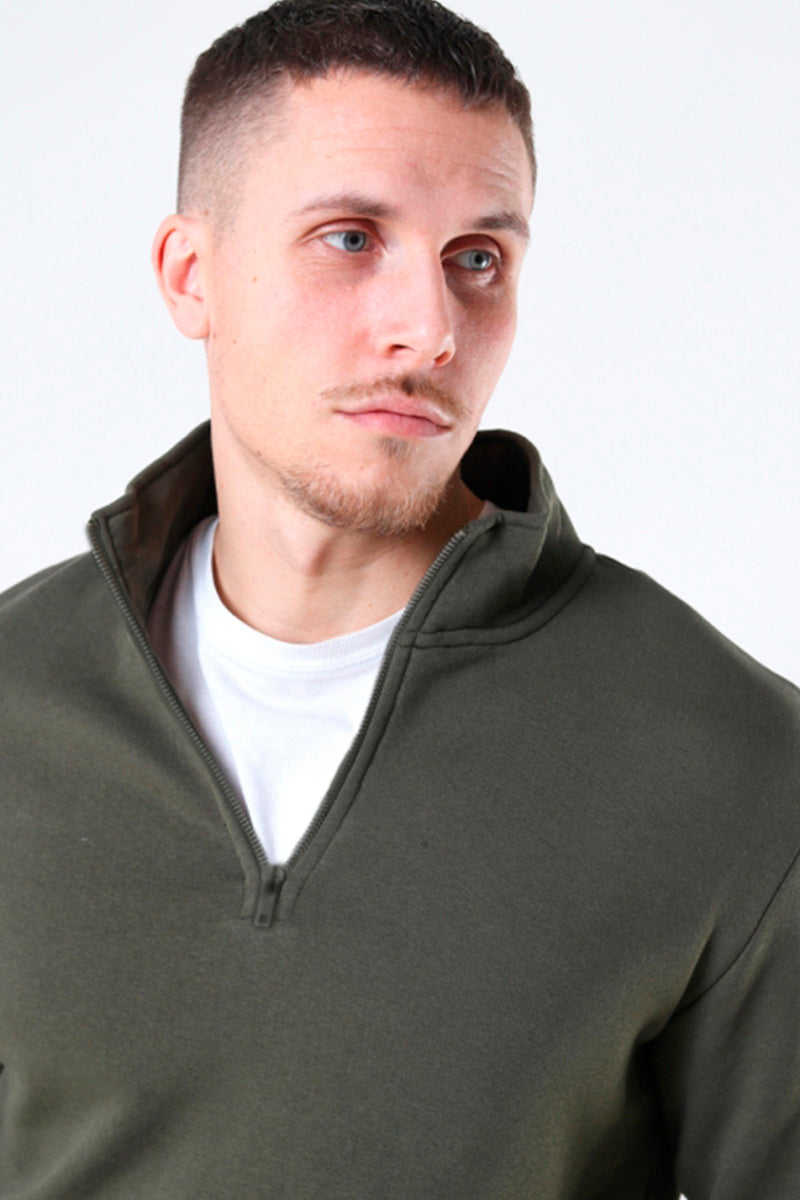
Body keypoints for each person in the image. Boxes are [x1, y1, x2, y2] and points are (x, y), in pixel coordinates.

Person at [0, 0, 798, 1195]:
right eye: (349, 238)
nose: (427, 331)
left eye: (475, 258)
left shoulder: (732, 764)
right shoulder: (15, 698)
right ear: (190, 274)